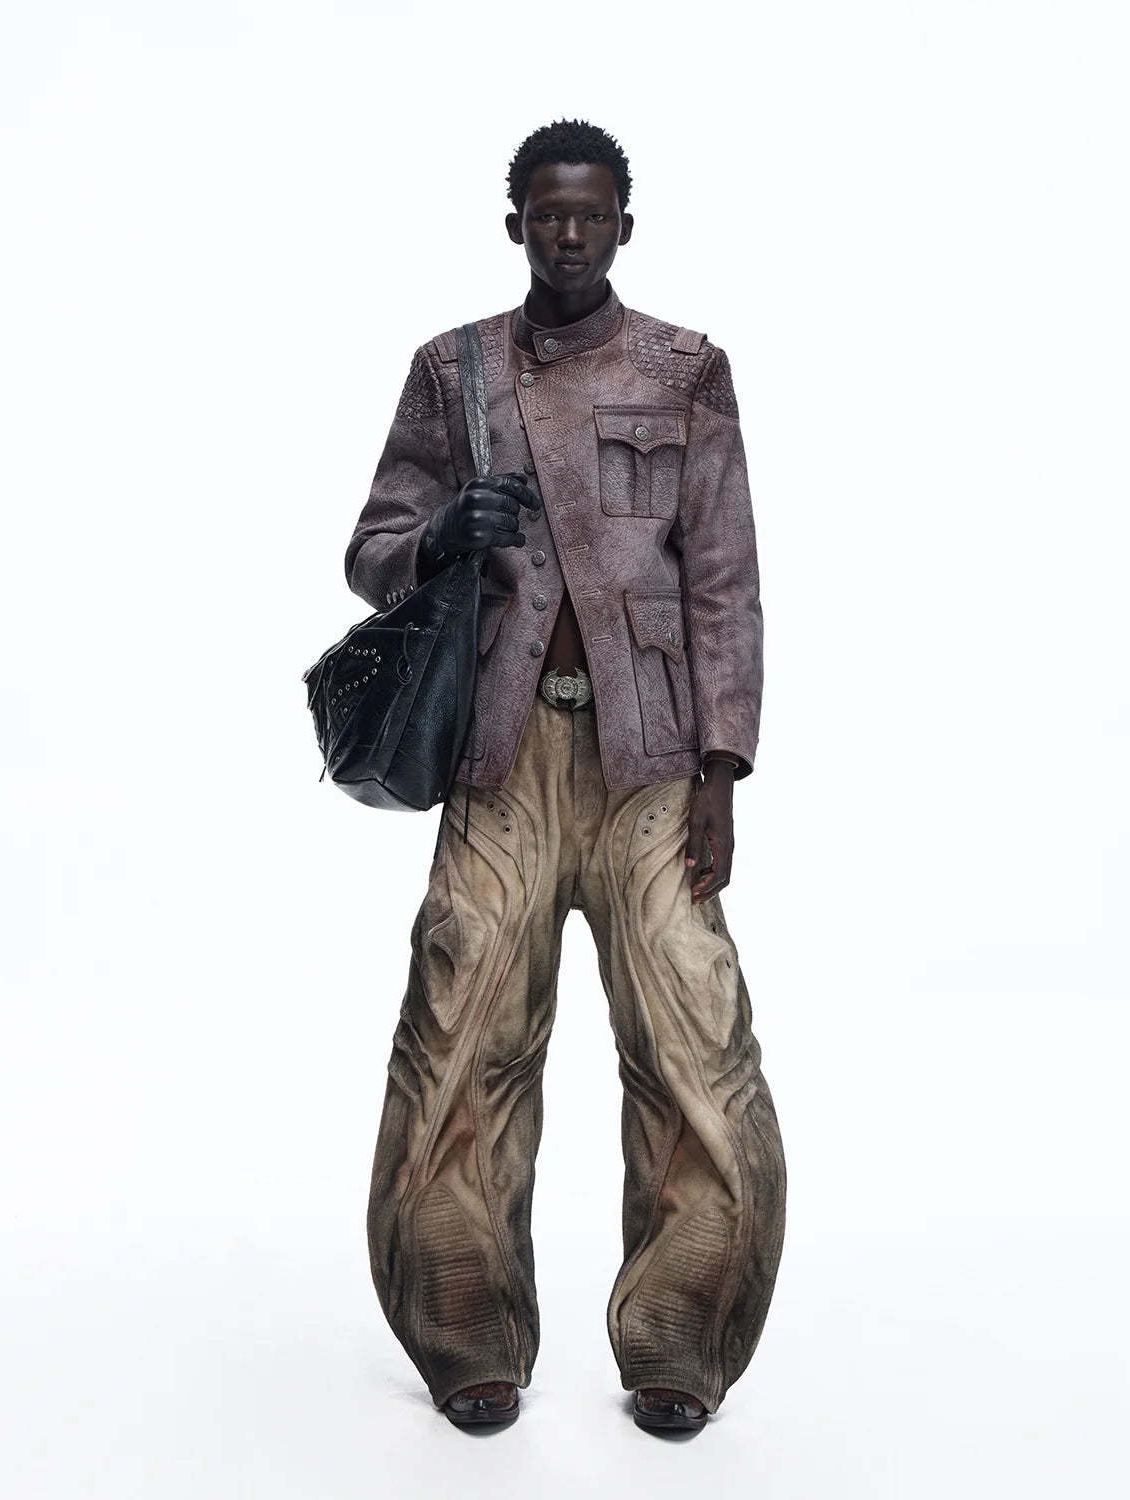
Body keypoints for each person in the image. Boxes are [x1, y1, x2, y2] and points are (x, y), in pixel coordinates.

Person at [344, 118, 786, 1432]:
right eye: (548, 214)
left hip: (654, 763)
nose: (571, 234)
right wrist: (438, 535)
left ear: (624, 226)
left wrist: (723, 767)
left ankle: (680, 1342)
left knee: (694, 1042)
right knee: (463, 1034)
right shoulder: (455, 371)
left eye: (591, 214)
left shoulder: (688, 369)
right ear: (517, 225)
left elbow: (725, 577)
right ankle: (464, 1330)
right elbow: (371, 550)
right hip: (500, 755)